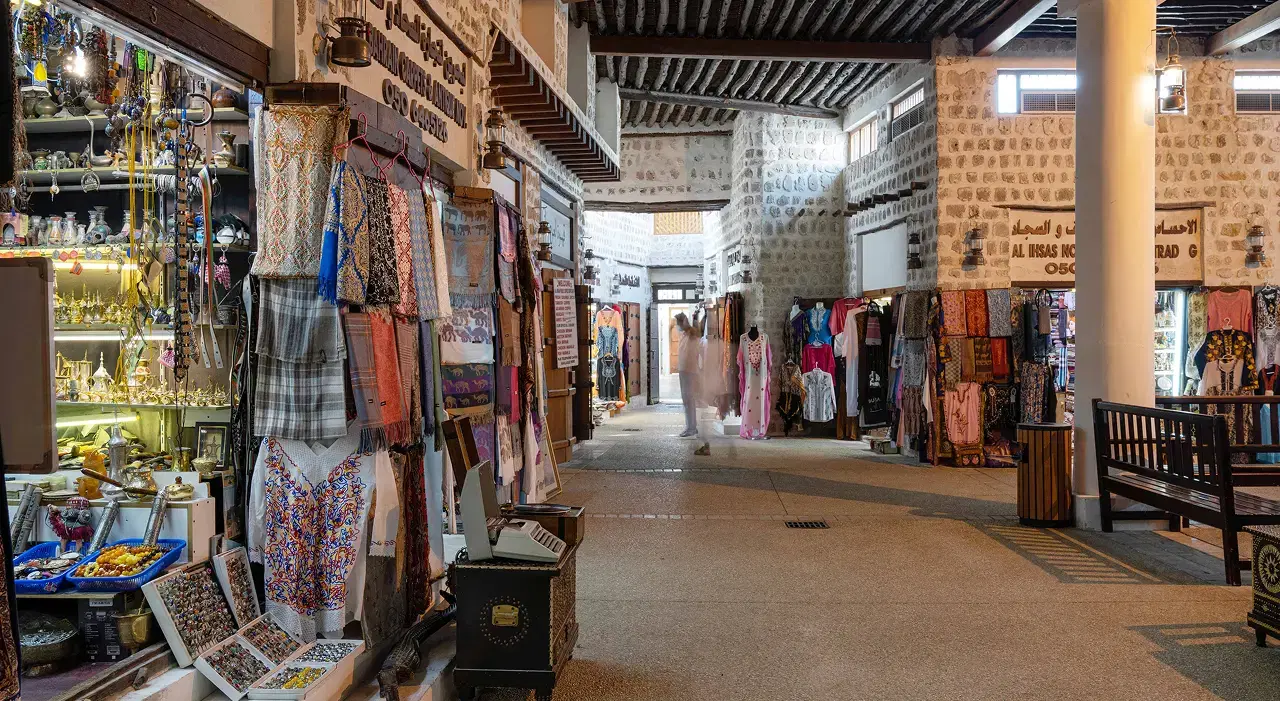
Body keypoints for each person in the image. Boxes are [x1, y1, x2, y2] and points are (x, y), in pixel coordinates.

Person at [675, 310, 705, 439]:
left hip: (690, 371)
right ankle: (691, 426)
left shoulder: (692, 335)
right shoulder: (684, 335)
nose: (677, 326)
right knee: (686, 400)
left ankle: (691, 427)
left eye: (678, 323)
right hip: (684, 371)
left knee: (689, 399)